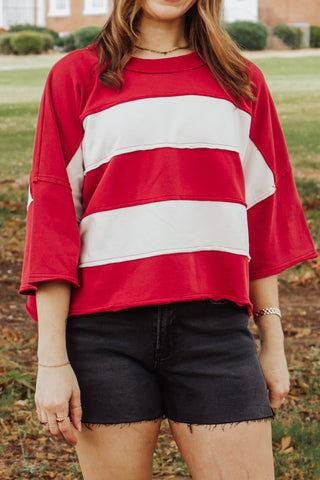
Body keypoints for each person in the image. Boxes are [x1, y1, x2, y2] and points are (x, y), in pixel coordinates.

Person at [19, 0, 317, 478]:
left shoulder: (241, 81)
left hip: (215, 333)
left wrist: (273, 343)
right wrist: (51, 361)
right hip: (103, 335)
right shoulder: (77, 76)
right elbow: (52, 223)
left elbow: (263, 220)